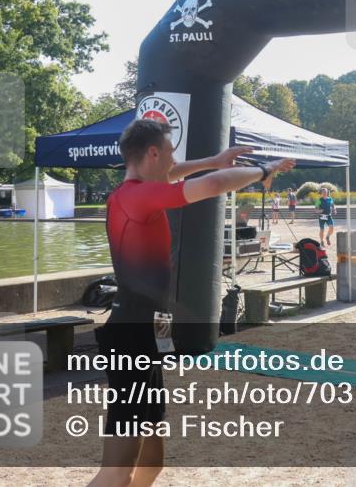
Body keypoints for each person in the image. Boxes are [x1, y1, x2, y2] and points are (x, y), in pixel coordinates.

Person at [89, 119, 293, 487]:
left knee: (152, 462)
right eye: (170, 153)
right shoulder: (137, 196)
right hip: (131, 338)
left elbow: (173, 173)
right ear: (153, 153)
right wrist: (265, 170)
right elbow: (213, 186)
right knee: (117, 472)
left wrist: (214, 160)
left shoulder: (133, 192)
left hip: (146, 335)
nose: (174, 161)